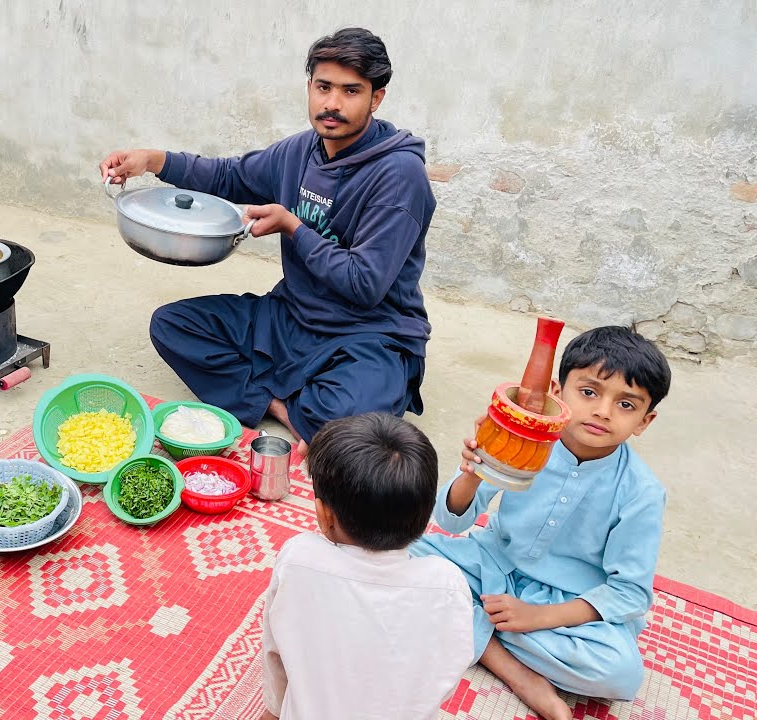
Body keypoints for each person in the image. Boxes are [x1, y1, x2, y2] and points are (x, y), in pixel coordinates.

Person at [100, 28, 435, 453]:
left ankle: (297, 400)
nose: (332, 103)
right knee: (172, 325)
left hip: (367, 333)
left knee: (352, 429)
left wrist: (294, 227)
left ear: (376, 98)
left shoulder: (399, 174)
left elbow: (364, 284)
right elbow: (229, 175)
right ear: (310, 87)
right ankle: (282, 407)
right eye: (324, 87)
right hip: (292, 316)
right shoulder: (300, 150)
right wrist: (152, 160)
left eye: (351, 91)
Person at [410, 326, 672, 720]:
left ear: (644, 421)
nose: (603, 411)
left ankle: (469, 624)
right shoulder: (524, 438)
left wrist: (537, 617)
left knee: (620, 673)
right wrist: (475, 470)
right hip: (488, 566)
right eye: (589, 392)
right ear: (556, 392)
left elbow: (630, 594)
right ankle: (510, 667)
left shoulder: (641, 491)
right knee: (398, 552)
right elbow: (450, 520)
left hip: (563, 606)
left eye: (625, 404)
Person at [260, 413, 473, 719]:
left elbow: (276, 654)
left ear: (324, 515)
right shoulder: (447, 584)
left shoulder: (299, 559)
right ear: (426, 517)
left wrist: (274, 710)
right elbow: (445, 673)